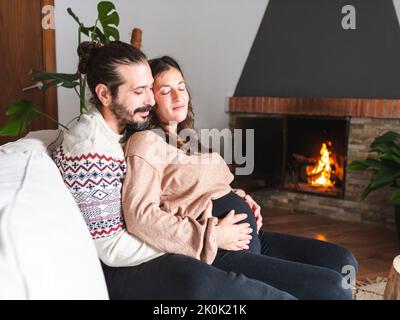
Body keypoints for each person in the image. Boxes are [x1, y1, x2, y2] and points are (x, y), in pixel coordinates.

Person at [53, 40, 296, 300]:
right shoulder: (92, 148)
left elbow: (170, 190)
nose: (150, 99)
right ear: (104, 94)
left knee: (331, 271)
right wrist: (208, 237)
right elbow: (115, 245)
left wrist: (231, 193)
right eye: (140, 91)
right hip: (152, 262)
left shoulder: (125, 132)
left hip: (217, 238)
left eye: (150, 88)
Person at [121, 55, 359, 300]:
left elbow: (203, 186)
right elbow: (141, 217)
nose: (178, 96)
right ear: (150, 97)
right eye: (166, 90)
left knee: (343, 262)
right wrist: (213, 236)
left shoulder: (185, 138)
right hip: (221, 250)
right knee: (333, 288)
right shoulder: (145, 143)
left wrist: (239, 196)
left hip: (249, 236)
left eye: (181, 87)